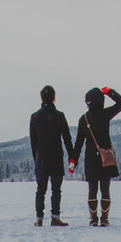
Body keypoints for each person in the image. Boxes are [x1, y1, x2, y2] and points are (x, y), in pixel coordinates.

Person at [29, 85, 78, 226]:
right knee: (56, 189)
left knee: (40, 190)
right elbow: (67, 139)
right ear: (54, 99)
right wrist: (72, 158)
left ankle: (39, 219)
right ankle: (55, 218)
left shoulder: (35, 117)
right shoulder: (59, 116)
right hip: (56, 156)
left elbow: (34, 142)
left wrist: (36, 159)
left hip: (42, 158)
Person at [76, 86, 121, 226]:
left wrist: (73, 159)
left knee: (92, 190)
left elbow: (79, 142)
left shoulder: (83, 119)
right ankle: (104, 219)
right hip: (105, 157)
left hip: (90, 158)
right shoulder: (105, 114)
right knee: (105, 189)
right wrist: (110, 92)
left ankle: (93, 220)